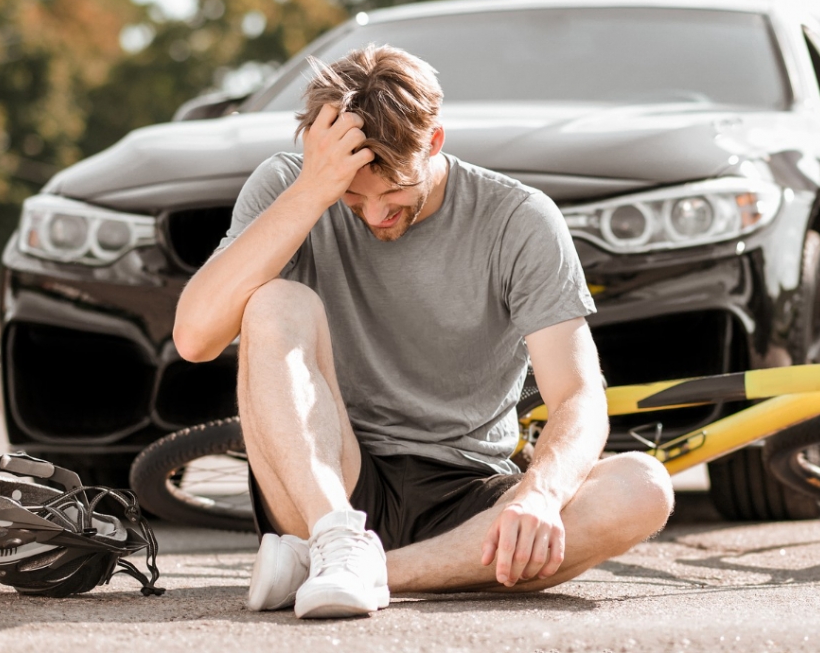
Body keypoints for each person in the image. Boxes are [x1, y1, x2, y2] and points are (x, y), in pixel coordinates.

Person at [173, 46, 674, 619]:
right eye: (353, 197)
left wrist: (541, 493)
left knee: (643, 487)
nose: (375, 213)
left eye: (394, 193)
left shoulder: (520, 219)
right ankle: (336, 541)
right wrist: (312, 193)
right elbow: (195, 338)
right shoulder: (291, 187)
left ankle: (341, 571)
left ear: (434, 141)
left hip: (469, 493)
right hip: (330, 480)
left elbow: (579, 395)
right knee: (273, 302)